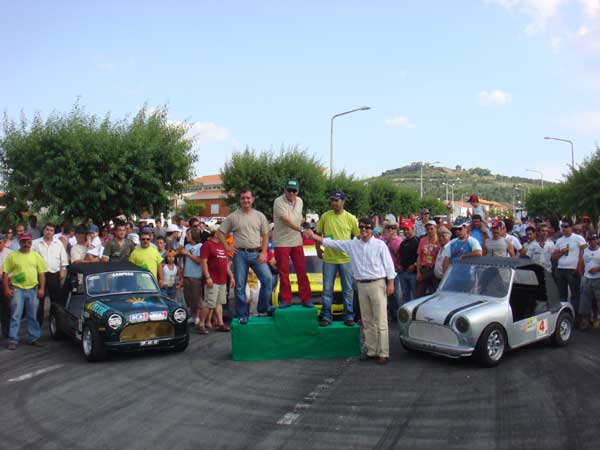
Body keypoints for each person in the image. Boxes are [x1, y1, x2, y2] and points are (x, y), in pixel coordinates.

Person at [307, 218, 395, 365]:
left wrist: (390, 283)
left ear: (372, 230)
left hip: (377, 283)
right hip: (361, 285)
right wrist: (313, 235)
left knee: (380, 320)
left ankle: (383, 352)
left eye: (367, 228)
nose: (364, 230)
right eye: (361, 228)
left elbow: (389, 265)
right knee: (367, 321)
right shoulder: (353, 244)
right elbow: (331, 243)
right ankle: (372, 350)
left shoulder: (380, 245)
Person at [216, 189, 272, 324]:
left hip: (256, 253)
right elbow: (219, 232)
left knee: (268, 279)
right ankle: (242, 315)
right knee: (240, 286)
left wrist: (264, 252)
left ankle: (263, 308)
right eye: (243, 198)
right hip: (239, 254)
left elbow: (266, 234)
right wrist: (228, 247)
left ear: (253, 199)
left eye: (248, 198)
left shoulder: (259, 216)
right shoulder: (233, 216)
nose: (245, 200)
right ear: (240, 200)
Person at [314, 191, 360, 327]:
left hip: (346, 260)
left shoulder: (351, 218)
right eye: (332, 200)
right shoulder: (325, 216)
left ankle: (349, 316)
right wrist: (318, 249)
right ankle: (326, 316)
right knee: (327, 290)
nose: (334, 203)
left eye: (337, 200)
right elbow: (317, 234)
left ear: (343, 201)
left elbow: (357, 238)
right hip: (329, 260)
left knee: (348, 290)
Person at [272, 179, 313, 308]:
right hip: (282, 242)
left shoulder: (300, 201)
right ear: (284, 190)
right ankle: (286, 300)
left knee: (302, 270)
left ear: (298, 191)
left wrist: (304, 223)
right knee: (284, 272)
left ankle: (306, 299)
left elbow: (298, 218)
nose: (291, 193)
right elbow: (286, 221)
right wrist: (302, 230)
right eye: (289, 190)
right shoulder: (278, 201)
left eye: (294, 190)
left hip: (296, 241)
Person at [3, 233, 47, 350]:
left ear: (31, 242)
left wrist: (42, 288)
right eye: (23, 241)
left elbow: (41, 274)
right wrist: (6, 288)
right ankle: (13, 340)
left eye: (28, 241)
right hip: (18, 289)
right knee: (15, 315)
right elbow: (5, 273)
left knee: (32, 315)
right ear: (20, 242)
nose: (26, 244)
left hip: (32, 289)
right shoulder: (13, 256)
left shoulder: (36, 256)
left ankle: (33, 338)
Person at [32, 223, 69, 326]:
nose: (49, 232)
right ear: (44, 230)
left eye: (51, 230)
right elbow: (30, 259)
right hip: (40, 275)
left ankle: (55, 324)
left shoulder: (58, 243)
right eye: (47, 230)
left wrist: (62, 271)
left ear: (54, 232)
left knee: (55, 302)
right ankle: (37, 326)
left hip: (54, 274)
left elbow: (64, 259)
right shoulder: (35, 243)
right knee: (39, 302)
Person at [200, 225, 234, 333]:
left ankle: (220, 323)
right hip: (212, 279)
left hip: (222, 279)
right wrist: (207, 277)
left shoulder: (222, 246)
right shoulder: (207, 245)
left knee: (219, 302)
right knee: (209, 303)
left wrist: (231, 277)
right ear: (216, 233)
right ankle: (201, 324)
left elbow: (225, 264)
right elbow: (203, 261)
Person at [553, 220, 587, 318]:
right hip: (561, 269)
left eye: (566, 226)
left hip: (572, 269)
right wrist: (562, 252)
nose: (564, 228)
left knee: (575, 294)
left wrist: (579, 265)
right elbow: (554, 257)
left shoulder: (578, 238)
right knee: (561, 294)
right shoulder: (560, 240)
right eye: (562, 227)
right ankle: (564, 314)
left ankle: (576, 315)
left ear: (571, 227)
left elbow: (584, 251)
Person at [180, 228, 204, 327]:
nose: (187, 236)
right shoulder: (187, 245)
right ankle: (193, 316)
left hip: (196, 275)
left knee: (196, 297)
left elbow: (199, 261)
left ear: (194, 235)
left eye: (188, 234)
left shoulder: (200, 246)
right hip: (187, 274)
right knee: (188, 297)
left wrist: (188, 254)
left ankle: (197, 316)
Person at [579, 234, 600, 330]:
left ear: (598, 240)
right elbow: (581, 264)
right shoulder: (585, 251)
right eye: (591, 239)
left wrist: (597, 269)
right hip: (587, 279)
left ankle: (596, 319)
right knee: (585, 301)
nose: (593, 241)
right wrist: (582, 276)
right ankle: (585, 321)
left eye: (595, 239)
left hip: (598, 279)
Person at [381, 222, 402, 320]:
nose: (390, 230)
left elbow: (398, 253)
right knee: (385, 294)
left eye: (392, 228)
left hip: (393, 270)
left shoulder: (398, 240)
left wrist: (390, 241)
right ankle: (389, 313)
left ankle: (397, 314)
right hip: (382, 271)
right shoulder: (381, 240)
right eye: (388, 228)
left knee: (395, 293)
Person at [416, 220, 440, 297]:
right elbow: (419, 256)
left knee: (434, 294)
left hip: (435, 269)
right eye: (427, 229)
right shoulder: (423, 240)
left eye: (431, 228)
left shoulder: (440, 240)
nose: (429, 231)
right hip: (424, 269)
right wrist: (418, 272)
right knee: (419, 294)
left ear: (436, 228)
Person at [397, 223, 419, 303]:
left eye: (408, 229)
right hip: (403, 273)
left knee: (415, 295)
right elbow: (400, 256)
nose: (406, 232)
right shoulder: (403, 243)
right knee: (405, 295)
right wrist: (399, 264)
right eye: (404, 230)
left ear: (412, 229)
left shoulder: (418, 241)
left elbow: (421, 256)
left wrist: (414, 265)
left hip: (413, 274)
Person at [0, 234, 13, 338]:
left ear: (4, 243)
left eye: (0, 242)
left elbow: (16, 270)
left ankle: (7, 332)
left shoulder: (10, 253)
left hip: (7, 283)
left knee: (6, 309)